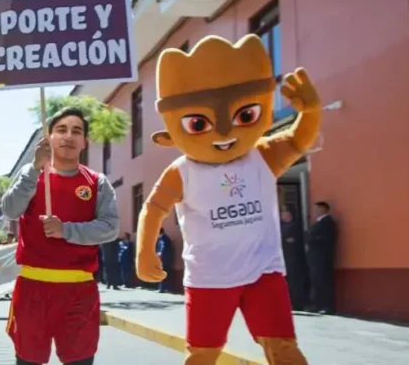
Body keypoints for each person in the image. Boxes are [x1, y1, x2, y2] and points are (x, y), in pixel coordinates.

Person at [135, 35, 319, 364]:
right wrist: (145, 250)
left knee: (283, 348)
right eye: (198, 124)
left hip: (263, 272)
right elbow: (154, 208)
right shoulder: (182, 171)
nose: (223, 133)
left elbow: (297, 141)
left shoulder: (263, 156)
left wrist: (311, 112)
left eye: (245, 116)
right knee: (203, 355)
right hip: (208, 277)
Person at [1, 107, 119, 365]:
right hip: (33, 289)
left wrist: (66, 230)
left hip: (79, 291)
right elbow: (10, 210)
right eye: (61, 130)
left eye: (76, 131)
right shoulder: (31, 175)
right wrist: (34, 168)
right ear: (49, 137)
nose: (68, 136)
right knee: (28, 360)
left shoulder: (97, 182)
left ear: (85, 141)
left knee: (80, 360)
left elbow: (110, 228)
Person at [306, 201, 337, 314]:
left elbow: (324, 239)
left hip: (322, 257)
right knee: (317, 281)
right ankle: (318, 305)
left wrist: (311, 239)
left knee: (323, 281)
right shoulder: (318, 222)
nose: (314, 211)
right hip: (315, 258)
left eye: (316, 209)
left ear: (322, 209)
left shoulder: (327, 222)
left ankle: (326, 306)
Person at [280, 207, 308, 311]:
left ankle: (298, 304)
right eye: (283, 213)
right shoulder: (279, 226)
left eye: (286, 213)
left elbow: (296, 240)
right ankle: (288, 303)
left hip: (294, 259)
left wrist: (286, 240)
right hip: (283, 259)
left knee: (295, 282)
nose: (284, 215)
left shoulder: (296, 226)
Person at [156, 228, 174, 293]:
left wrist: (159, 254)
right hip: (165, 259)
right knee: (165, 273)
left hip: (164, 260)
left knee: (163, 273)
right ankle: (164, 288)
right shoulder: (163, 238)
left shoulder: (164, 239)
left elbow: (162, 248)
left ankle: (162, 288)